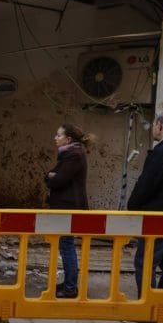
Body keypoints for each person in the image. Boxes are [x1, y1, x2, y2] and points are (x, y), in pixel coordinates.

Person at [127, 112, 163, 297]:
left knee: (146, 263)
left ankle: (148, 307)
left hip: (157, 219)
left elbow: (147, 184)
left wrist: (132, 207)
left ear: (160, 126)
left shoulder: (162, 152)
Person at [46, 123, 93, 298]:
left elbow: (58, 180)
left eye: (59, 135)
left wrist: (51, 178)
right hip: (66, 206)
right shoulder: (70, 154)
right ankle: (69, 283)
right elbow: (51, 174)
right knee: (65, 245)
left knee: (66, 245)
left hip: (68, 206)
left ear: (68, 139)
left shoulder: (73, 155)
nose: (55, 138)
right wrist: (51, 176)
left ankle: (71, 287)